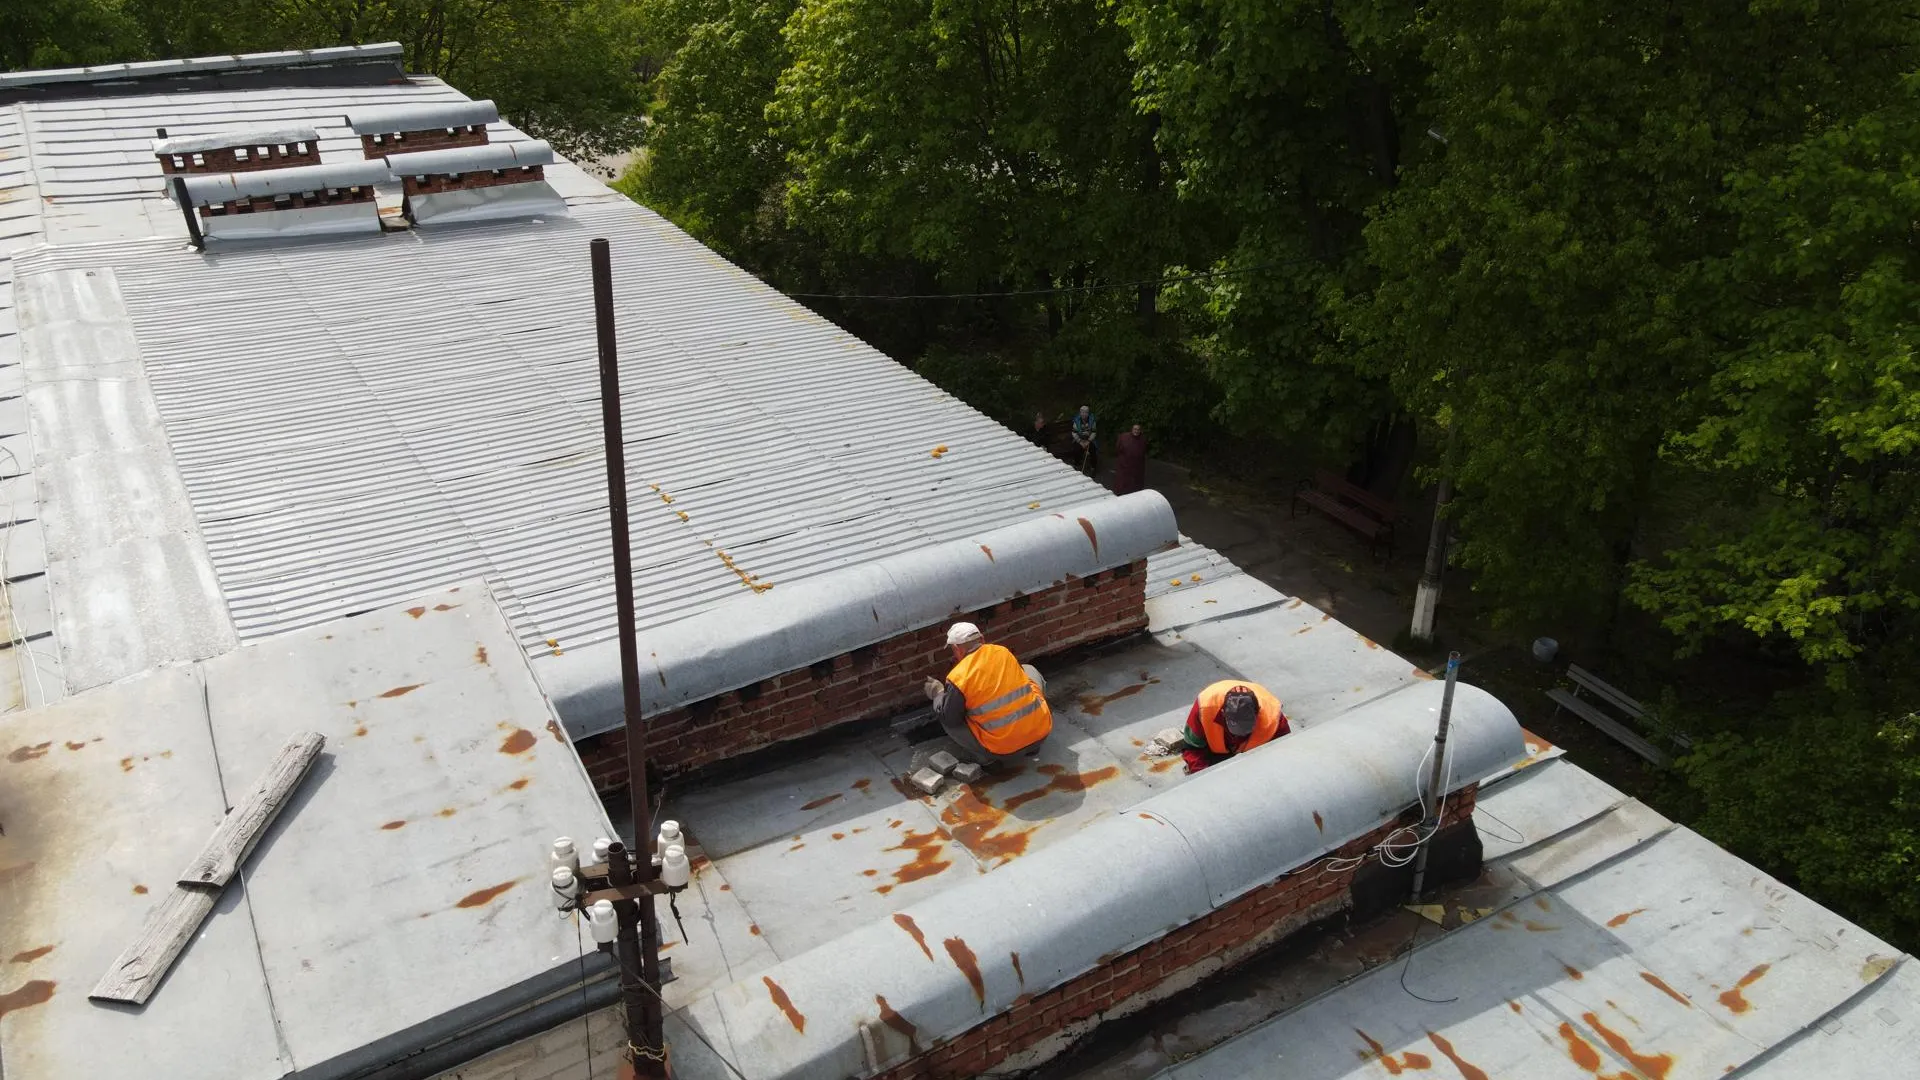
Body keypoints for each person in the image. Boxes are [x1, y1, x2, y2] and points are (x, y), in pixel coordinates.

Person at [923, 622, 1051, 765]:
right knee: (1029, 670)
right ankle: (1031, 741)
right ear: (982, 640)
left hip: (1003, 750)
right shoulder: (1003, 652)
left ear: (957, 649)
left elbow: (951, 719)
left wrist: (938, 693)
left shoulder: (959, 677)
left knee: (946, 715)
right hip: (1041, 734)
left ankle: (985, 757)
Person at [1180, 680, 1289, 774]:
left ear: (1258, 713)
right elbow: (1192, 749)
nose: (1239, 735)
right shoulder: (1204, 708)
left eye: (1244, 730)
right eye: (1234, 730)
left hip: (1255, 752)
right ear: (1223, 713)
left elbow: (1283, 754)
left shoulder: (1273, 717)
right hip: (1215, 751)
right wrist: (1204, 777)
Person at [1113, 422, 1147, 495]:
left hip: (1137, 464)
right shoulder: (1124, 437)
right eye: (1135, 429)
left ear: (1140, 431)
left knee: (1135, 481)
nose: (1136, 431)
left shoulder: (1143, 439)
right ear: (1132, 429)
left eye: (1138, 429)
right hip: (1124, 463)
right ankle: (1120, 492)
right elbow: (1118, 448)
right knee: (1122, 479)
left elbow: (1143, 451)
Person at [1071, 405, 1098, 476]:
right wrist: (1080, 442)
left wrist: (1088, 441)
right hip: (1079, 439)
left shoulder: (1092, 421)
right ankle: (1076, 464)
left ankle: (1093, 468)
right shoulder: (1076, 421)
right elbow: (1074, 433)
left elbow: (1094, 432)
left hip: (1089, 440)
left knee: (1093, 450)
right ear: (1080, 413)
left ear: (1088, 413)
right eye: (1082, 412)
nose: (1084, 414)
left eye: (1086, 412)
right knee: (1076, 450)